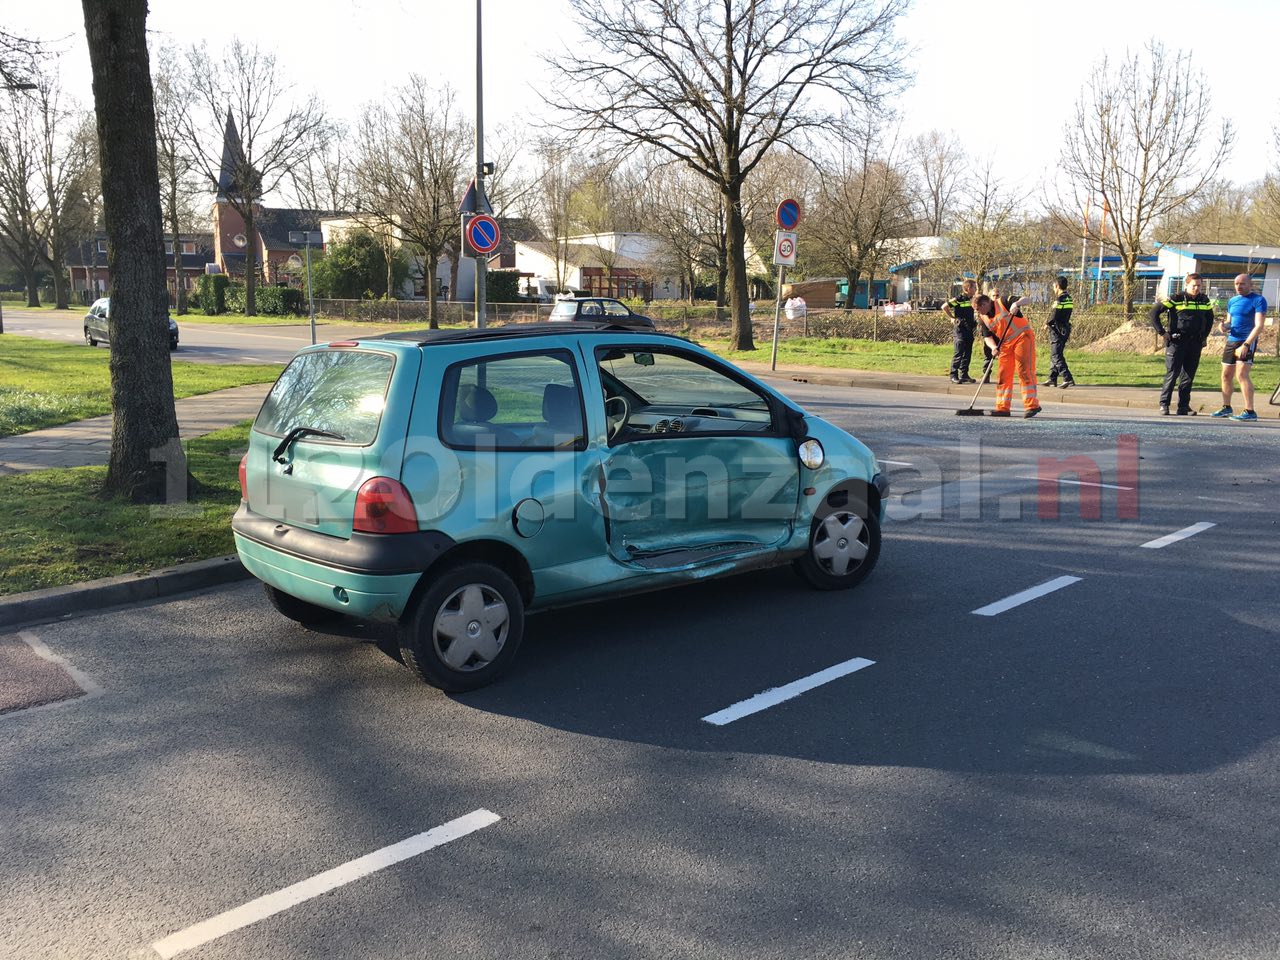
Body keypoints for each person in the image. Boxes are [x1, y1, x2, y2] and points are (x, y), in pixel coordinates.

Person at [1149, 272, 1214, 415]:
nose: (1196, 288)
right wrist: (1162, 332)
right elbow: (1154, 313)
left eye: (1199, 286)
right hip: (1177, 341)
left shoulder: (1204, 300)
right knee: (1173, 373)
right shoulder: (1176, 298)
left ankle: (1183, 406)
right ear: (1187, 285)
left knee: (1188, 376)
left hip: (1195, 343)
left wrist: (1204, 336)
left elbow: (1210, 318)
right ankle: (1164, 404)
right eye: (1193, 286)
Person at [976, 292, 1040, 418]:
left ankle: (1032, 405)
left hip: (1022, 337)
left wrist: (1016, 304)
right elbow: (987, 336)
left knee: (1024, 371)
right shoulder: (983, 318)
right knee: (1003, 374)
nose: (978, 312)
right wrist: (993, 347)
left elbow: (1028, 299)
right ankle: (1002, 407)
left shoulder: (1004, 301)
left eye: (978, 309)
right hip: (1005, 344)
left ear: (985, 304)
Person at [1212, 274, 1267, 421]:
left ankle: (1249, 411)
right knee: (1225, 375)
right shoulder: (1232, 301)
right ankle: (1226, 407)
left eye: (1242, 283)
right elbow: (1230, 322)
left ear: (1250, 284)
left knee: (1241, 374)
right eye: (1236, 283)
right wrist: (1223, 327)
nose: (1239, 286)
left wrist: (1247, 344)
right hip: (1232, 340)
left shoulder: (1258, 300)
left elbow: (1259, 326)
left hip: (1246, 340)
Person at [943, 279, 979, 384]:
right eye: (974, 287)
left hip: (969, 329)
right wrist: (952, 317)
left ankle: (964, 374)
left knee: (967, 353)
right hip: (960, 330)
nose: (975, 289)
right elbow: (944, 307)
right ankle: (953, 375)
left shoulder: (973, 299)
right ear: (968, 288)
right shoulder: (958, 299)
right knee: (958, 352)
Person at [1042, 276, 1076, 388]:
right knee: (1056, 353)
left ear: (1057, 286)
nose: (1053, 289)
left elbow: (1054, 314)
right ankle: (1052, 378)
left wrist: (1046, 324)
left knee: (1056, 355)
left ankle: (1067, 378)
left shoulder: (1059, 300)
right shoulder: (1069, 298)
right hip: (1065, 329)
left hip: (1057, 330)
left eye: (1053, 286)